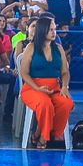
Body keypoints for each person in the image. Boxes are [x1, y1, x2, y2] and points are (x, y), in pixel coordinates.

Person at [16, 16, 74, 148]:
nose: (54, 33)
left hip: (55, 87)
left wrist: (64, 87)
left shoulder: (59, 48)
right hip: (32, 87)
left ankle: (44, 133)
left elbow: (65, 72)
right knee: (45, 104)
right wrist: (37, 88)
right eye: (50, 30)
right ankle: (44, 136)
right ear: (43, 31)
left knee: (66, 103)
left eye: (55, 29)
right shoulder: (31, 47)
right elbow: (24, 73)